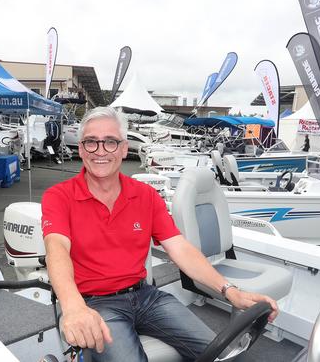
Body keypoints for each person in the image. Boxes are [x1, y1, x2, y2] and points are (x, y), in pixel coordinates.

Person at [41, 107, 278, 361]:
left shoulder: (145, 196)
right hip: (95, 304)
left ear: (123, 148)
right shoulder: (59, 197)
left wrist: (231, 291)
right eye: (91, 142)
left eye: (110, 142)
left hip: (146, 296)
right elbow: (57, 250)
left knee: (221, 353)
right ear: (80, 148)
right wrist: (73, 306)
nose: (100, 151)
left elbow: (180, 249)